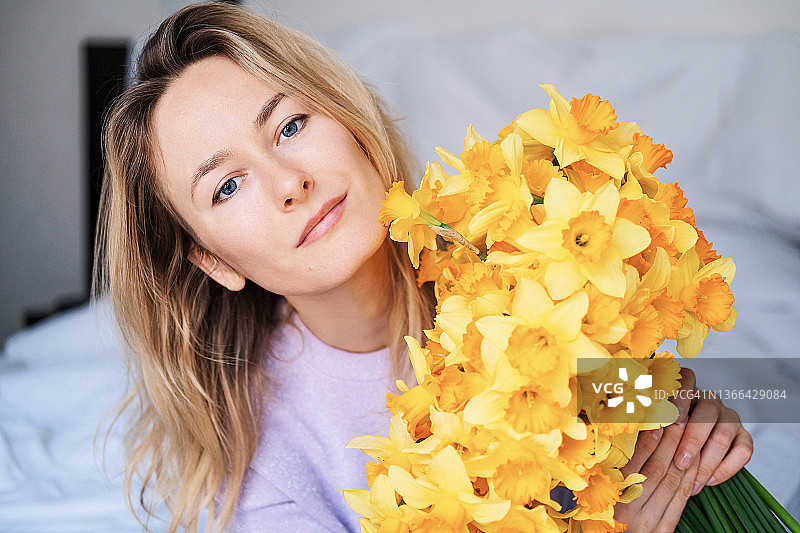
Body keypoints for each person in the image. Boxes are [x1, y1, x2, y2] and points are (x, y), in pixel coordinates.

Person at [94, 2, 753, 532]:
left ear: (349, 121)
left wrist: (689, 420)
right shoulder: (267, 471)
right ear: (213, 260)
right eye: (227, 186)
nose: (288, 182)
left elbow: (637, 400)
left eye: (290, 126)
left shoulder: (520, 261)